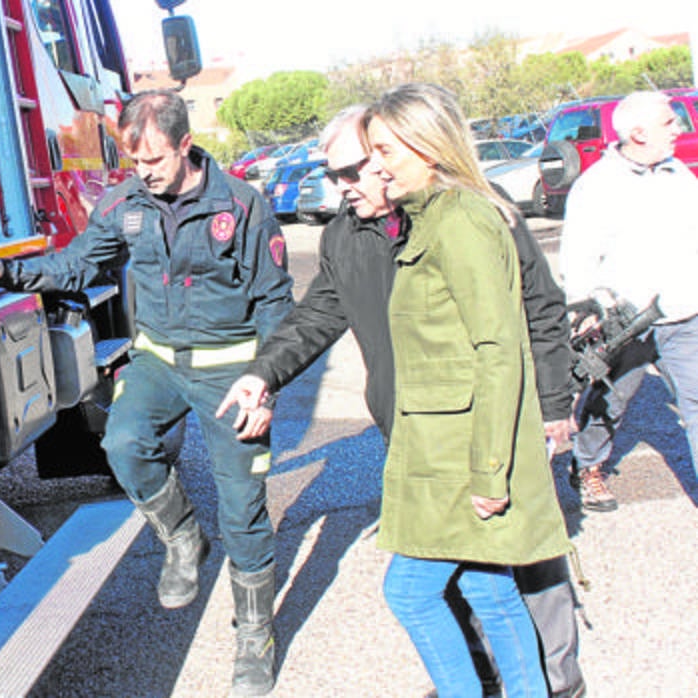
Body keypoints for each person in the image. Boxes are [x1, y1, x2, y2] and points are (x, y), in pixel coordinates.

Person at [218, 102, 586, 697]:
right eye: (332, 174)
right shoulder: (347, 233)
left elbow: (533, 315)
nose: (341, 186)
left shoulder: (467, 213)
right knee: (482, 584)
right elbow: (318, 314)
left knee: (519, 578)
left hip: (483, 433)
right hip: (416, 434)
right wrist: (266, 373)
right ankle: (490, 681)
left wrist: (551, 405)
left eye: (354, 169)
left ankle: (557, 684)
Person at [0, 89, 294, 697]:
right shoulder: (124, 202)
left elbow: (273, 301)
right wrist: (7, 272)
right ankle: (183, 537)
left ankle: (254, 638)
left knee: (244, 511)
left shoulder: (241, 206)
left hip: (231, 370)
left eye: (155, 162)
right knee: (124, 444)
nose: (145, 174)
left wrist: (266, 384)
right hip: (161, 362)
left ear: (186, 146)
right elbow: (79, 265)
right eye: (135, 163)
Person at [559, 90, 698, 512]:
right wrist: (586, 308)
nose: (678, 128)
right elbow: (577, 256)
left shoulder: (679, 174)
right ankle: (587, 466)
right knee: (609, 405)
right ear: (638, 133)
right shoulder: (596, 185)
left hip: (683, 314)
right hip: (625, 323)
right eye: (668, 121)